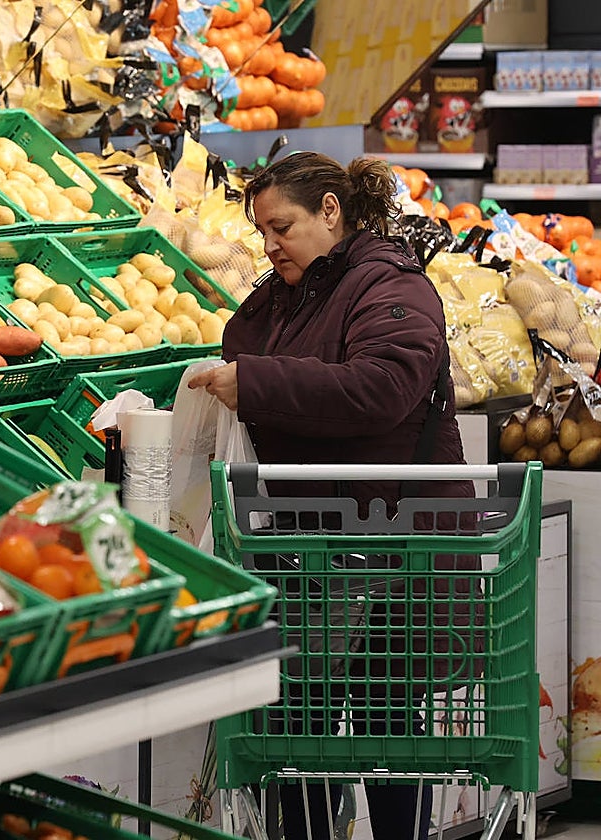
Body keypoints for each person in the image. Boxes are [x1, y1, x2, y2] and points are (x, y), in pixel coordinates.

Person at [188, 152, 476, 840]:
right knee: (298, 719)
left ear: (330, 210)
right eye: (260, 230)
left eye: (281, 226)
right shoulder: (282, 294)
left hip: (394, 551)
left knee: (386, 718)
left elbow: (382, 387)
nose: (268, 244)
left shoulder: (390, 285)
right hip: (310, 551)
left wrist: (255, 384)